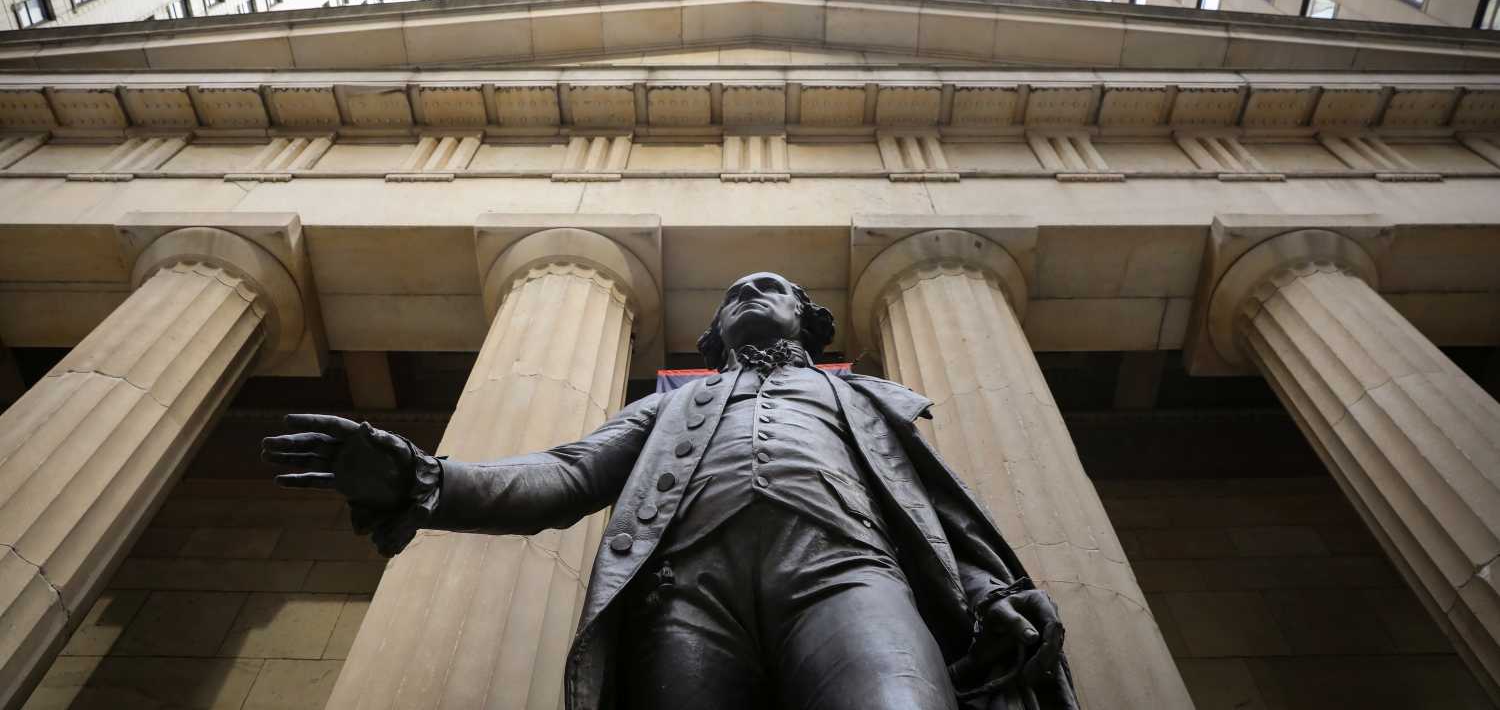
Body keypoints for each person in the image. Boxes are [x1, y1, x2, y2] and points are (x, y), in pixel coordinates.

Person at [264, 271, 1077, 710]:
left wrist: (987, 587)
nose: (748, 297)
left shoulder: (862, 398)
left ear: (808, 317)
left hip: (848, 572)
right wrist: (425, 479)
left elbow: (931, 512)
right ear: (714, 333)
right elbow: (566, 475)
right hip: (685, 597)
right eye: (732, 297)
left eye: (770, 288)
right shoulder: (668, 406)